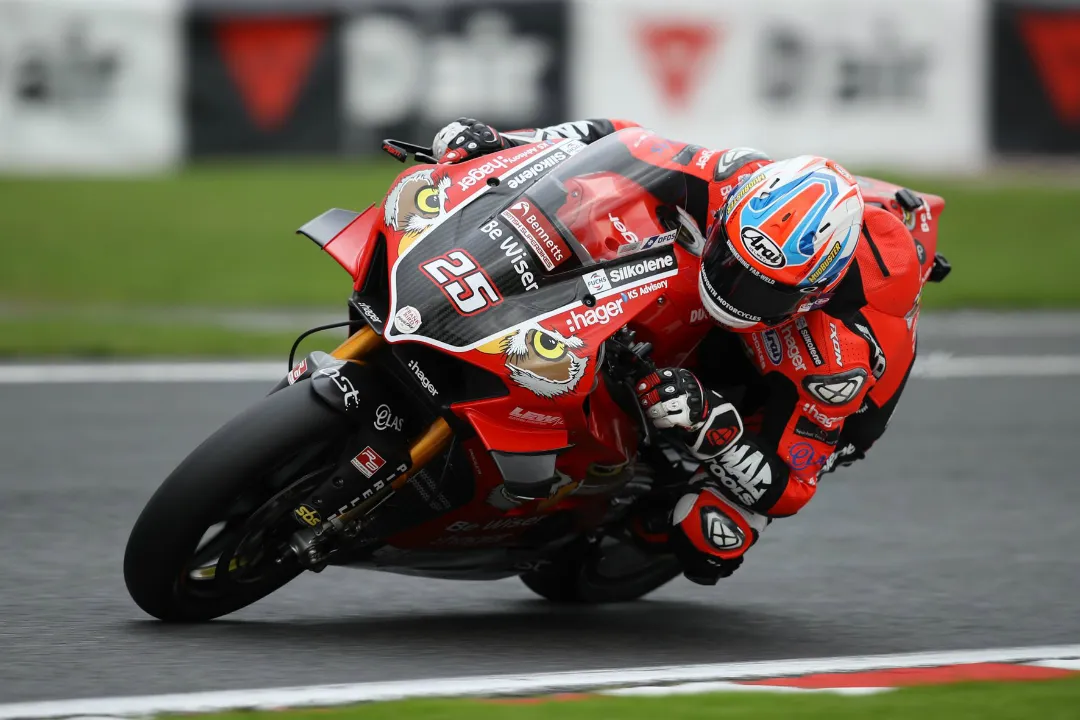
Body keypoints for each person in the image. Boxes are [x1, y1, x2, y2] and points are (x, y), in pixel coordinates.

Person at [431, 118, 936, 585]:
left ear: (812, 296)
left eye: (763, 292)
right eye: (729, 260)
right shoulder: (734, 177)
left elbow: (789, 488)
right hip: (764, 287)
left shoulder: (835, 359)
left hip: (826, 400)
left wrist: (713, 428)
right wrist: (508, 142)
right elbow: (615, 139)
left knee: (710, 539)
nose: (732, 290)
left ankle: (643, 523)